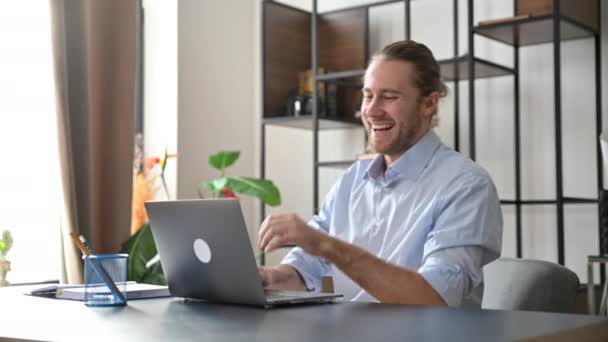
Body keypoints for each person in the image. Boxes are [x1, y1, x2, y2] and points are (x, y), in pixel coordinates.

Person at [258, 40, 503, 307]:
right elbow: (309, 266)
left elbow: (434, 298)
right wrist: (270, 278)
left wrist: (326, 245)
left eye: (389, 97)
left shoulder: (466, 185)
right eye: (367, 95)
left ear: (429, 103)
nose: (371, 111)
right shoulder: (353, 179)